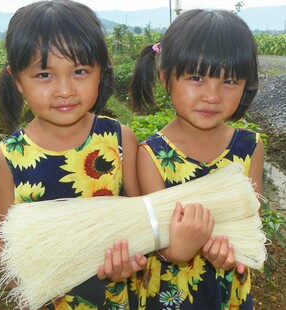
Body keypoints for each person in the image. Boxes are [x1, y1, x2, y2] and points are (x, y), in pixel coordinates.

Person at [0, 1, 148, 309]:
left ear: (99, 72)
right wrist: (29, 286)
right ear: (18, 80)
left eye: (79, 71)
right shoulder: (10, 157)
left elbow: (141, 221)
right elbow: (3, 240)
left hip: (114, 298)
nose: (65, 90)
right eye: (44, 75)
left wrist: (131, 261)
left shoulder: (119, 141)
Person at [129, 9, 264, 310]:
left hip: (228, 292)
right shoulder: (152, 155)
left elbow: (249, 223)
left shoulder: (249, 147)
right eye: (196, 78)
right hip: (171, 295)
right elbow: (157, 242)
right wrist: (177, 251)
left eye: (229, 81)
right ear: (166, 78)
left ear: (245, 85)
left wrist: (231, 252)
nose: (212, 96)